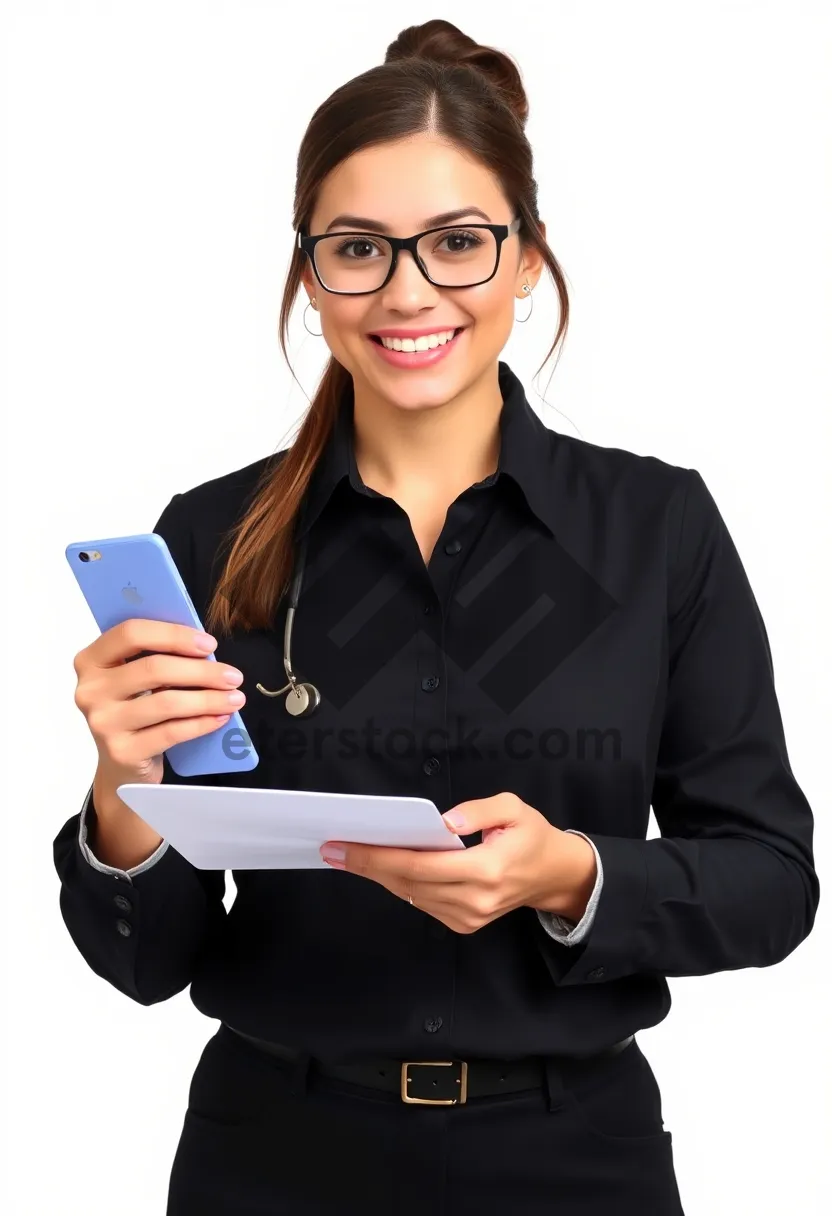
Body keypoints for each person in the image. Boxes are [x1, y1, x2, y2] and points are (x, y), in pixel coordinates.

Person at [53, 19, 819, 1216]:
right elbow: (144, 961)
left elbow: (772, 885)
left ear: (526, 258)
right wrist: (121, 794)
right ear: (310, 273)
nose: (408, 292)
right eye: (359, 248)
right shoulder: (207, 538)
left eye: (458, 243)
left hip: (576, 1165)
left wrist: (571, 877)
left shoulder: (657, 527)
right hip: (271, 1161)